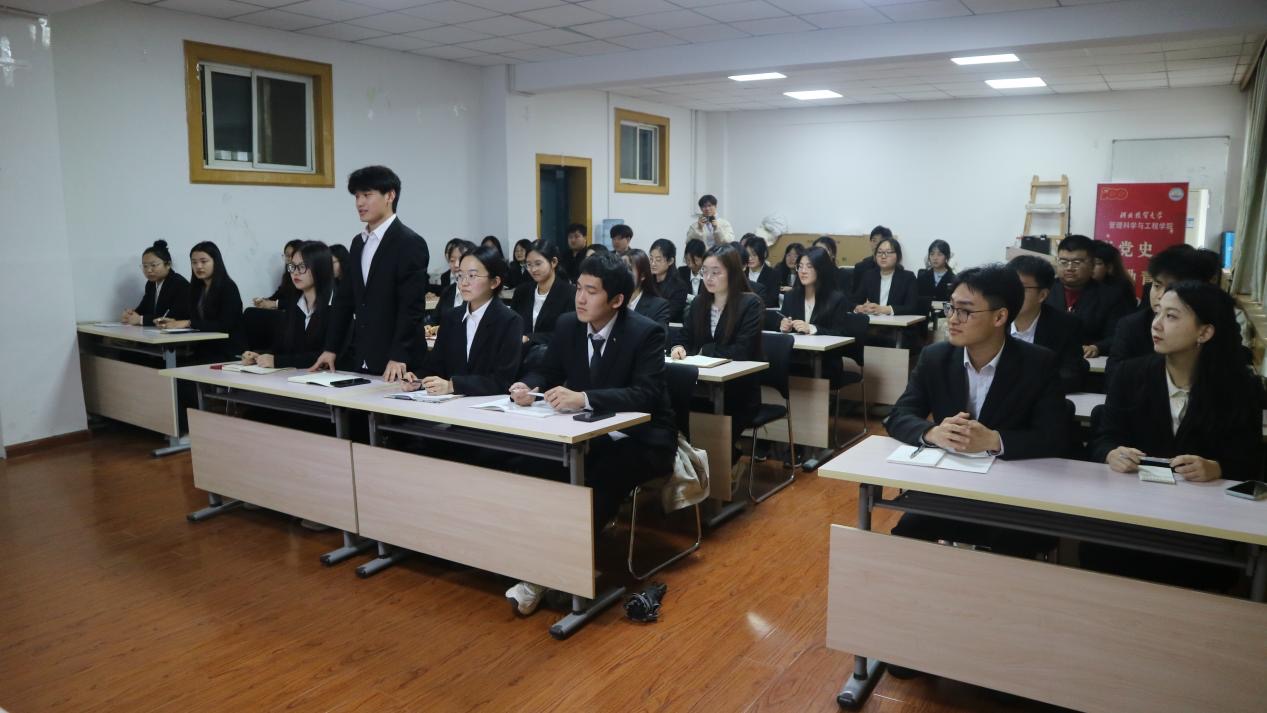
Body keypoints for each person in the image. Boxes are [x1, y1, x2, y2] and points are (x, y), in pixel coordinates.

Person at [505, 253, 677, 615]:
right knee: (534, 462)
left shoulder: (645, 332)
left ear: (616, 300)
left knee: (600, 475)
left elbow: (645, 395)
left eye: (592, 291)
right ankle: (534, 559)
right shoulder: (569, 324)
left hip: (642, 438)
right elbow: (548, 370)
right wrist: (529, 386)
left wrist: (584, 398)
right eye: (579, 288)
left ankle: (553, 574)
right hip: (588, 433)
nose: (580, 298)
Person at [884, 265, 1068, 559]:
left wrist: (995, 440)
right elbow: (898, 415)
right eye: (951, 308)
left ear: (1000, 317)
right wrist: (933, 433)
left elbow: (1055, 437)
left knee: (1017, 548)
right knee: (905, 536)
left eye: (965, 311)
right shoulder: (935, 357)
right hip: (950, 487)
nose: (952, 319)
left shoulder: (1038, 364)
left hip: (1013, 493)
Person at [1088, 281, 1263, 590]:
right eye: (1157, 312)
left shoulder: (1240, 388)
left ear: (1204, 332)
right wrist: (1111, 453)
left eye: (1171, 316)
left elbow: (1251, 460)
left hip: (1201, 522)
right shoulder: (1131, 374)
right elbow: (1103, 437)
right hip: (1133, 512)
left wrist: (1217, 467)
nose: (1156, 324)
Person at [311, 165, 430, 382]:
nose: (359, 203)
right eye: (357, 196)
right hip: (363, 356)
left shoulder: (410, 243)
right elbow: (345, 300)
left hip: (399, 362)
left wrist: (398, 355)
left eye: (367, 195)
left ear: (390, 196)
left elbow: (411, 308)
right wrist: (331, 348)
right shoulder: (358, 243)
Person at [671, 244, 763, 452]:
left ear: (732, 273)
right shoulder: (699, 303)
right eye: (705, 271)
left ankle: (725, 458)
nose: (708, 278)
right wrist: (678, 347)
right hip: (700, 388)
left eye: (716, 272)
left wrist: (703, 350)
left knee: (712, 432)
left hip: (738, 390)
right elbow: (684, 337)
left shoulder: (750, 304)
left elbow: (742, 351)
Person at [403, 245, 522, 397]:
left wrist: (452, 386)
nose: (463, 283)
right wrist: (418, 380)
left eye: (472, 276)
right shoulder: (451, 317)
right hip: (451, 405)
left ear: (494, 282)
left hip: (485, 406)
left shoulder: (510, 321)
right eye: (460, 275)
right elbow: (435, 366)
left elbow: (502, 381)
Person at [1106, 245, 1216, 385]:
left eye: (1172, 288)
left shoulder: (1215, 325)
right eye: (1157, 285)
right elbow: (1114, 378)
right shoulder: (1131, 325)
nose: (1161, 295)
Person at [780, 246, 867, 386]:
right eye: (800, 266)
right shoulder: (791, 296)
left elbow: (840, 333)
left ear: (821, 269)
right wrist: (784, 326)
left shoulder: (836, 299)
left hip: (826, 361)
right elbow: (784, 321)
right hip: (796, 358)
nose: (803, 271)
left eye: (809, 266)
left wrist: (812, 328)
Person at [241, 241, 334, 369]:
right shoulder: (295, 305)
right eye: (292, 266)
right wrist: (259, 356)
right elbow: (283, 348)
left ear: (320, 268)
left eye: (302, 266)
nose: (295, 272)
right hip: (296, 376)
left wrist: (278, 361)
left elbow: (326, 357)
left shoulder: (337, 306)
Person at [1007, 255, 1089, 394]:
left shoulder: (1066, 326)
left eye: (1021, 288)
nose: (1011, 294)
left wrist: (1026, 387)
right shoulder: (992, 321)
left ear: (1042, 295)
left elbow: (1071, 375)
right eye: (1009, 286)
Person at [1044, 234, 1134, 359]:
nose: (1069, 268)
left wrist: (1097, 347)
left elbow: (1118, 335)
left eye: (1077, 262)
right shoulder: (1044, 291)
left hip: (1088, 362)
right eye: (1063, 262)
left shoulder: (1111, 296)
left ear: (1092, 264)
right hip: (1048, 358)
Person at [155, 241, 244, 362]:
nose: (198, 266)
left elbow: (225, 325)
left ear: (216, 262)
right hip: (204, 348)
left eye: (204, 261)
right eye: (194, 262)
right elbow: (195, 318)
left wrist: (188, 323)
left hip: (227, 350)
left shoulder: (228, 287)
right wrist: (175, 322)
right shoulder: (196, 288)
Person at [511, 239, 574, 348]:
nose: (533, 269)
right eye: (529, 264)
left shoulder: (569, 293)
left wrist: (530, 338)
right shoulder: (521, 291)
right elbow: (513, 325)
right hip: (520, 353)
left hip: (553, 353)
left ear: (553, 262)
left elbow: (568, 333)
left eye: (538, 264)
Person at [123, 240, 190, 326]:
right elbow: (143, 309)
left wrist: (140, 320)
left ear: (168, 264)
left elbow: (173, 317)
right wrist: (130, 314)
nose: (148, 270)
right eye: (145, 266)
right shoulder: (150, 284)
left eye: (153, 265)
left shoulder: (180, 284)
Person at [853, 237, 919, 316]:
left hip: (896, 322)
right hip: (872, 321)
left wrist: (886, 309)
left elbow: (912, 307)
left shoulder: (908, 277)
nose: (883, 256)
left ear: (898, 256)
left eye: (888, 252)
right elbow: (855, 301)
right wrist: (858, 308)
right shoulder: (869, 276)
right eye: (879, 252)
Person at [623, 249, 671, 340]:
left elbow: (658, 340)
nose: (622, 274)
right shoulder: (612, 302)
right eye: (621, 269)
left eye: (629, 269)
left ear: (642, 276)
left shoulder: (659, 306)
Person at [432, 239, 475, 331]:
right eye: (452, 260)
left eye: (460, 259)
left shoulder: (479, 294)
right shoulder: (448, 291)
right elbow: (433, 322)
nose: (456, 265)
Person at [253, 239, 304, 310]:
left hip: (296, 312)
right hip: (286, 310)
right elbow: (280, 293)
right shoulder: (288, 274)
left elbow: (299, 302)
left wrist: (274, 304)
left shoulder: (304, 275)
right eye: (286, 256)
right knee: (251, 311)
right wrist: (264, 301)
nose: (288, 260)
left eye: (291, 256)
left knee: (250, 312)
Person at [1091, 239, 1138, 310]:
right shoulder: (1081, 285)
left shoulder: (1119, 290)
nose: (1090, 267)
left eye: (1096, 263)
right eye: (1088, 262)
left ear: (1109, 267)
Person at [648, 238, 688, 322]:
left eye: (658, 260)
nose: (653, 263)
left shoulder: (679, 287)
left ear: (670, 261)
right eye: (651, 259)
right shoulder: (647, 281)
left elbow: (668, 314)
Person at [742, 235, 780, 307]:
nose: (750, 258)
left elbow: (771, 301)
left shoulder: (773, 274)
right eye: (748, 255)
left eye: (754, 255)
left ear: (764, 254)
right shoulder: (742, 272)